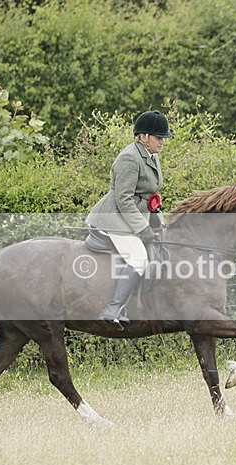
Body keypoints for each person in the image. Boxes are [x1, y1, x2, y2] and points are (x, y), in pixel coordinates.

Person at [85, 110, 172, 328]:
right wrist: (142, 228)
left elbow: (146, 195)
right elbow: (124, 199)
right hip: (114, 218)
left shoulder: (151, 155)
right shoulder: (129, 158)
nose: (162, 141)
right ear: (143, 136)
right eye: (158, 137)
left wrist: (158, 222)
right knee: (139, 259)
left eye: (163, 137)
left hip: (132, 216)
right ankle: (113, 308)